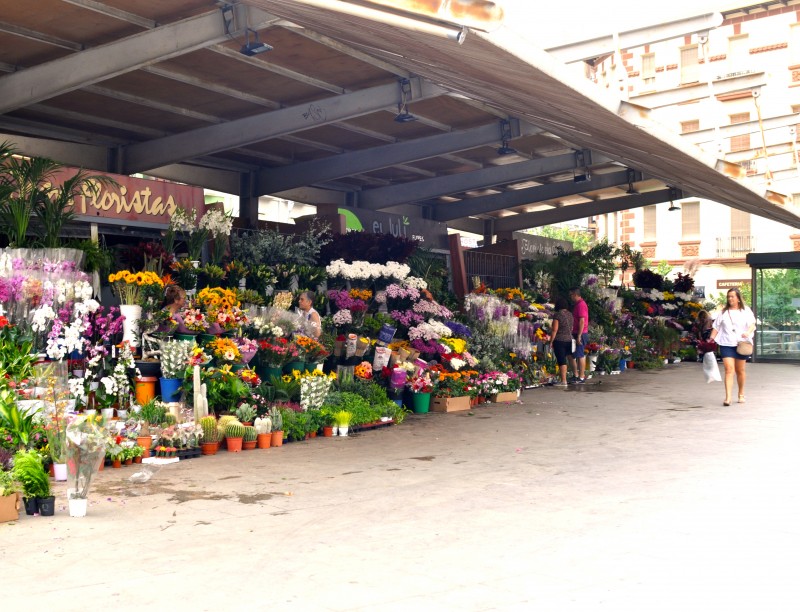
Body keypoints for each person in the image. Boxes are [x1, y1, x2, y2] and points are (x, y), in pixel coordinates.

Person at [709, 287, 756, 406]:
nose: (730, 299)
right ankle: (728, 397)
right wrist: (711, 340)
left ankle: (741, 393)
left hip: (741, 344)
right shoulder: (723, 312)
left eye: (732, 296)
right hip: (726, 344)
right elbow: (716, 327)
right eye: (728, 296)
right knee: (729, 369)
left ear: (738, 298)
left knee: (740, 370)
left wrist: (748, 332)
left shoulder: (746, 311)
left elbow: (752, 325)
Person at [549, 297, 574, 388]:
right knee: (569, 358)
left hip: (560, 340)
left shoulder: (558, 315)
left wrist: (551, 341)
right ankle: (570, 376)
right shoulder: (570, 314)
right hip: (569, 339)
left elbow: (554, 330)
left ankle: (564, 380)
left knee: (561, 360)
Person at [567, 287, 589, 383]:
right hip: (576, 332)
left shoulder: (581, 305)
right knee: (572, 354)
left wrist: (579, 335)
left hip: (581, 333)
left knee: (580, 355)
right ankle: (576, 374)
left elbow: (582, 321)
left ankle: (581, 376)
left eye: (571, 295)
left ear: (575, 294)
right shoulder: (578, 305)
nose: (570, 297)